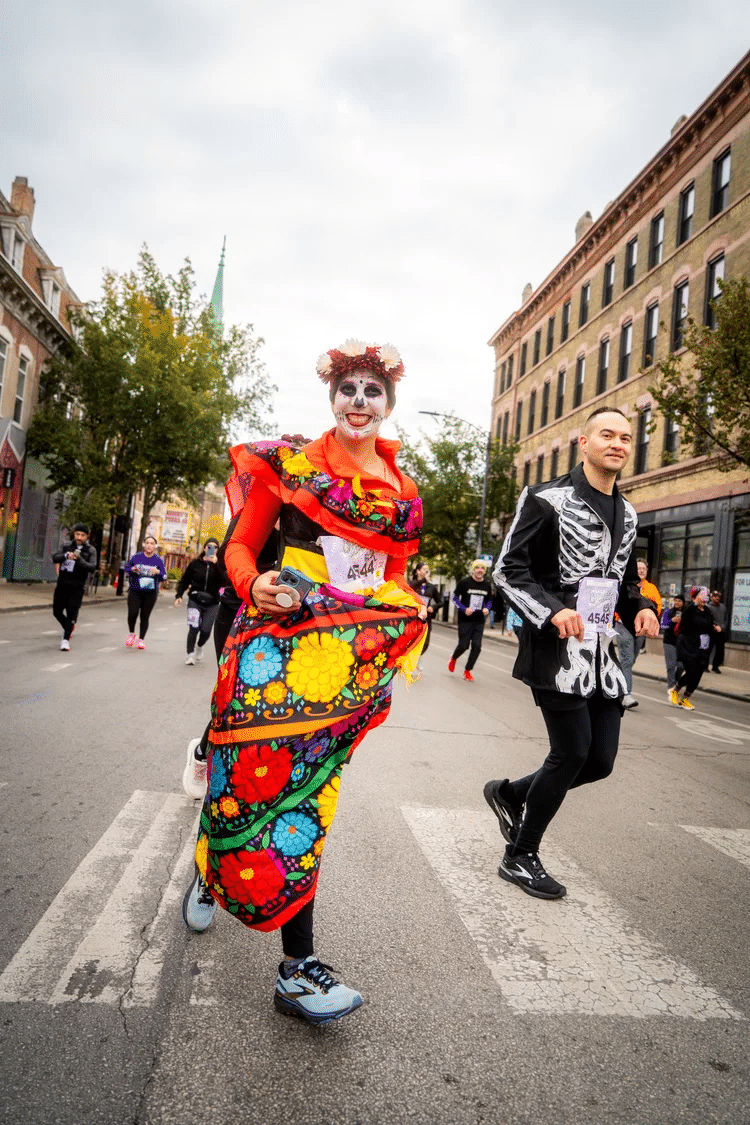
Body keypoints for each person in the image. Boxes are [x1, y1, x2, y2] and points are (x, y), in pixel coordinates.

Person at [181, 339, 427, 1025]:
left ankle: (297, 969)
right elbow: (238, 543)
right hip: (270, 651)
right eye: (348, 388)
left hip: (343, 665)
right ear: (332, 398)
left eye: (372, 391)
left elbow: (395, 576)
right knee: (245, 786)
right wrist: (252, 580)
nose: (358, 400)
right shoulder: (289, 466)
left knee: (307, 804)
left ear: (388, 405)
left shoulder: (400, 494)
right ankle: (213, 862)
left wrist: (407, 607)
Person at [486, 406, 659, 900]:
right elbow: (508, 570)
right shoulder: (545, 500)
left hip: (604, 651)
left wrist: (642, 606)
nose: (618, 444)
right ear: (583, 442)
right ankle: (520, 855)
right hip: (555, 645)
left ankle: (510, 793)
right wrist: (550, 611)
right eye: (607, 434)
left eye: (626, 437)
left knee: (599, 761)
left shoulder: (628, 513)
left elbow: (625, 583)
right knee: (571, 752)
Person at [174, 538, 222, 665]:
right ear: (205, 548)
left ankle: (200, 646)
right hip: (195, 599)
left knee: (206, 630)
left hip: (212, 602)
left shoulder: (220, 565)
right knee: (193, 627)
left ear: (218, 550)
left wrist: (217, 565)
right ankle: (190, 654)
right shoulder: (195, 563)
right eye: (209, 546)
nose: (211, 548)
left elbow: (225, 582)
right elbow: (185, 580)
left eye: (215, 547)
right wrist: (179, 595)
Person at [51, 523, 98, 650]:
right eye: (77, 534)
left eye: (83, 535)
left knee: (72, 613)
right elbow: (55, 557)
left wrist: (79, 559)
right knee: (56, 611)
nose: (80, 537)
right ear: (74, 533)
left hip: (77, 586)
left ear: (87, 536)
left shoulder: (91, 550)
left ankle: (65, 639)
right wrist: (66, 556)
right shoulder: (66, 546)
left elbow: (92, 567)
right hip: (62, 584)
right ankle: (69, 626)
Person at [670, 586, 716, 709]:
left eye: (707, 594)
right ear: (695, 596)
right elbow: (685, 619)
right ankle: (675, 690)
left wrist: (716, 628)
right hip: (688, 645)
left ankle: (685, 698)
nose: (706, 596)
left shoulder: (708, 611)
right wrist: (695, 602)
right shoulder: (690, 609)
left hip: (703, 647)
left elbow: (709, 625)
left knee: (698, 675)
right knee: (691, 671)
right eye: (703, 594)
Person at [448, 560, 492, 681]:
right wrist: (463, 609)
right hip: (465, 619)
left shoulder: (487, 585)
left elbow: (489, 601)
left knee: (477, 647)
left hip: (479, 620)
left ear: (484, 571)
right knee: (464, 645)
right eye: (477, 568)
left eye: (482, 568)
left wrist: (487, 609)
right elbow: (455, 598)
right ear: (473, 569)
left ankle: (467, 670)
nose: (480, 570)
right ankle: (454, 657)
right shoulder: (465, 582)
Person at [123, 535, 167, 649]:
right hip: (135, 590)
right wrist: (132, 569)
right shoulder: (136, 557)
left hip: (150, 592)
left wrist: (157, 572)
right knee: (132, 613)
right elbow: (127, 569)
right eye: (147, 543)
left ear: (155, 546)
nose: (149, 545)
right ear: (143, 545)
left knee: (144, 616)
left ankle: (141, 639)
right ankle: (132, 634)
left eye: (152, 543)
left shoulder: (158, 560)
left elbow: (164, 576)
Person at [409, 561, 441, 666]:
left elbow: (441, 602)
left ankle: (418, 657)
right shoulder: (412, 583)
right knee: (411, 639)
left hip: (426, 617)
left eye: (428, 569)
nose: (426, 571)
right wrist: (423, 580)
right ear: (417, 571)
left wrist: (433, 607)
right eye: (424, 569)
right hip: (412, 616)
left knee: (426, 642)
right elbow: (409, 587)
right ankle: (410, 659)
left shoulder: (432, 587)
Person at [660, 595, 684, 699]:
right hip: (669, 641)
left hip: (681, 643)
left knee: (681, 666)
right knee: (671, 666)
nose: (677, 602)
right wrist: (671, 621)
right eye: (676, 600)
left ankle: (675, 682)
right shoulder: (668, 612)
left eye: (679, 601)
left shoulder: (686, 613)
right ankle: (671, 686)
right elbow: (663, 625)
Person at [708, 590, 727, 673]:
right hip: (711, 631)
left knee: (720, 650)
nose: (717, 598)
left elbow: (726, 619)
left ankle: (715, 666)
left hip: (721, 632)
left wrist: (722, 627)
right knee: (708, 649)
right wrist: (715, 626)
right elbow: (709, 619)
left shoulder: (723, 607)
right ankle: (704, 666)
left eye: (718, 596)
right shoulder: (708, 607)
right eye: (715, 596)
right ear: (711, 597)